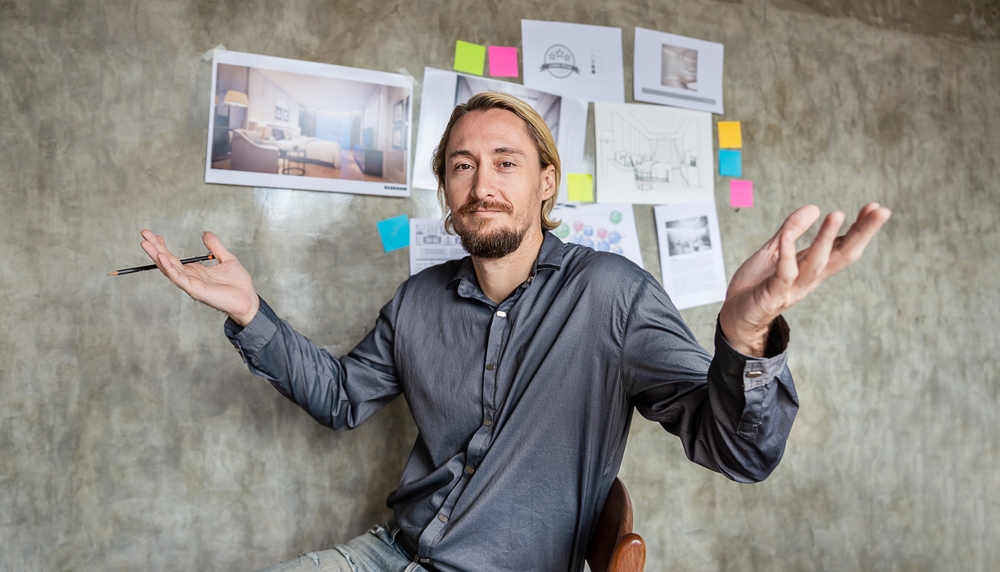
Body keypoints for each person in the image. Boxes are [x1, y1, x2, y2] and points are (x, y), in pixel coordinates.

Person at [140, 92, 890, 572]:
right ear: (446, 192)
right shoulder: (417, 303)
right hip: (386, 553)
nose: (482, 183)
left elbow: (740, 452)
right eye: (462, 166)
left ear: (545, 182)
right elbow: (341, 398)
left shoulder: (612, 295)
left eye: (506, 161)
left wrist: (744, 335)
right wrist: (249, 310)